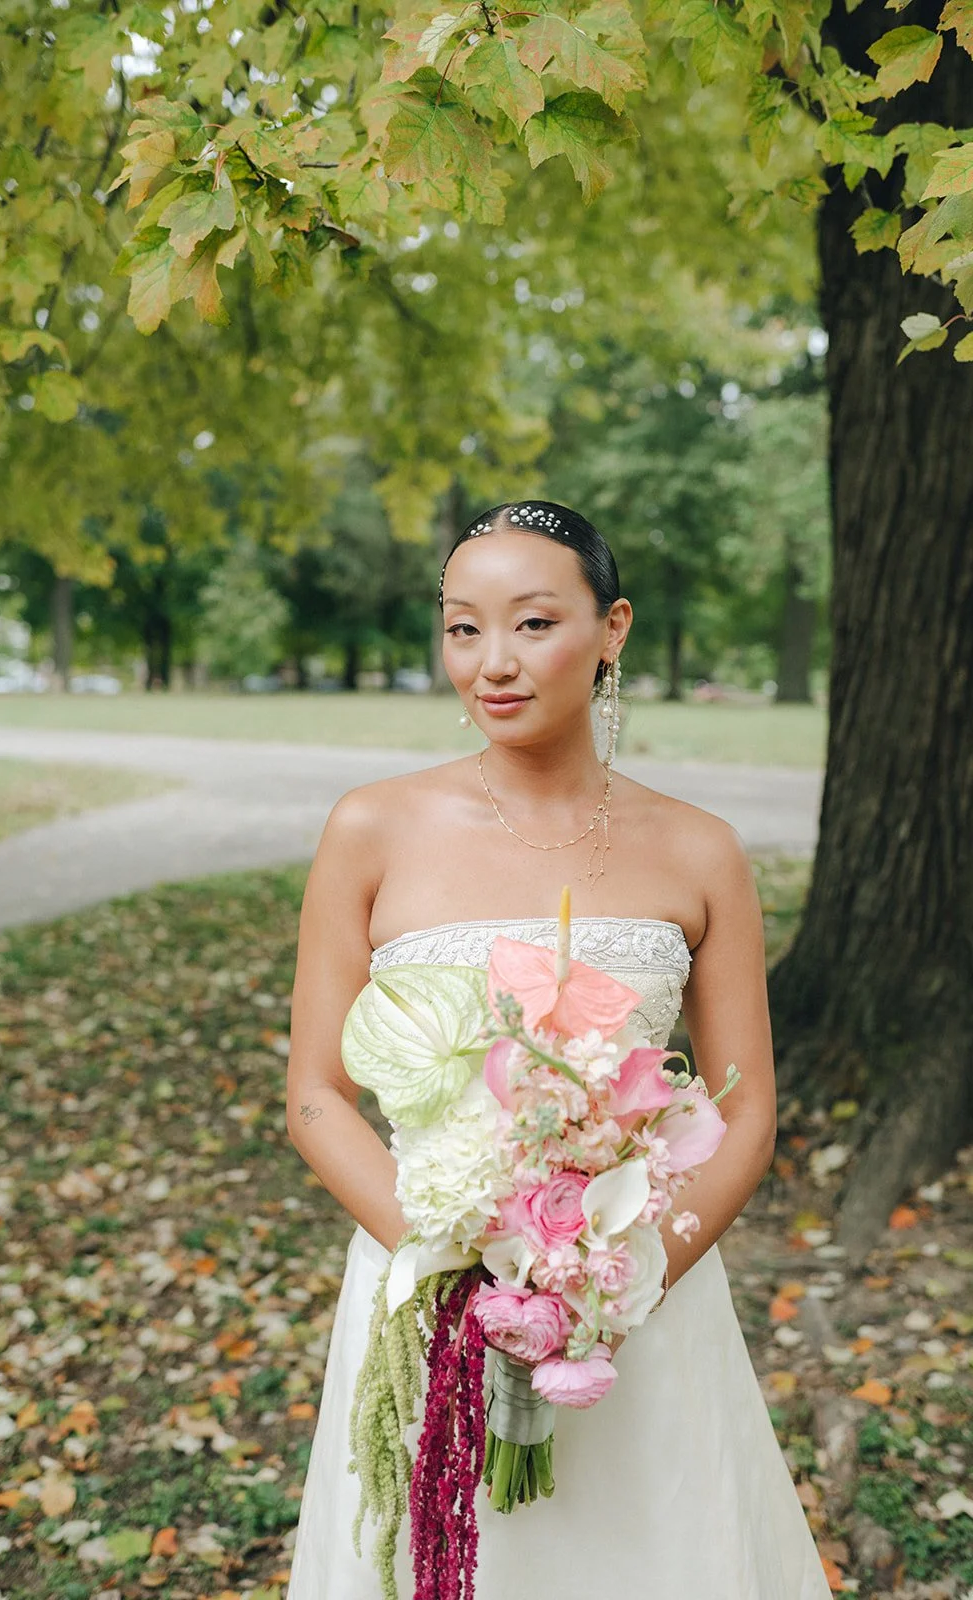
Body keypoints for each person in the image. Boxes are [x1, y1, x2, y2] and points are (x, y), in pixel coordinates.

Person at [283, 499, 832, 1598]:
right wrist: (458, 1276)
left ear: (612, 628)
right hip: (427, 1285)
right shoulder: (368, 831)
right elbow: (314, 1097)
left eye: (533, 624)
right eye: (461, 627)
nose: (491, 662)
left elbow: (748, 1109)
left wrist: (617, 1285)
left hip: (637, 1306)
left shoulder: (699, 851)